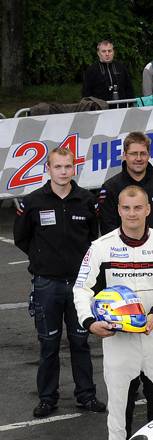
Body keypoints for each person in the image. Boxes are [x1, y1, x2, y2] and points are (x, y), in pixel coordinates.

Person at [73, 186, 153, 440]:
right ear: (118, 210)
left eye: (138, 208)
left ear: (148, 209)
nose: (132, 213)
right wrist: (89, 322)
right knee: (119, 399)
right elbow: (81, 288)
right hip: (118, 338)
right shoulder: (101, 246)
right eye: (126, 208)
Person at [13, 148, 105, 418]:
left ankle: (86, 395)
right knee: (49, 345)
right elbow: (22, 238)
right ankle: (47, 398)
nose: (63, 172)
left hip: (79, 286)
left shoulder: (87, 200)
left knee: (80, 342)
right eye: (58, 167)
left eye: (68, 167)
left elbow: (92, 238)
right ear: (48, 169)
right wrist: (42, 260)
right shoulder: (32, 201)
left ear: (74, 169)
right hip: (47, 285)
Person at [96, 132, 153, 238]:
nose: (138, 158)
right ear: (125, 155)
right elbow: (108, 226)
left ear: (149, 155)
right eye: (133, 154)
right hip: (124, 252)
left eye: (143, 153)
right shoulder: (111, 187)